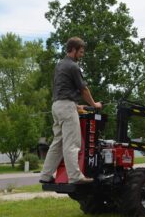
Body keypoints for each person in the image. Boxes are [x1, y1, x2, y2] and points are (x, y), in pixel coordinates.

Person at [40, 37, 102, 184]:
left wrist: (75, 106)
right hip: (66, 108)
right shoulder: (73, 66)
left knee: (58, 143)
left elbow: (62, 89)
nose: (82, 54)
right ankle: (75, 176)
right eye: (80, 52)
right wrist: (94, 104)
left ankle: (45, 175)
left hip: (57, 106)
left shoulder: (60, 65)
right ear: (73, 50)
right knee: (72, 143)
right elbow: (83, 89)